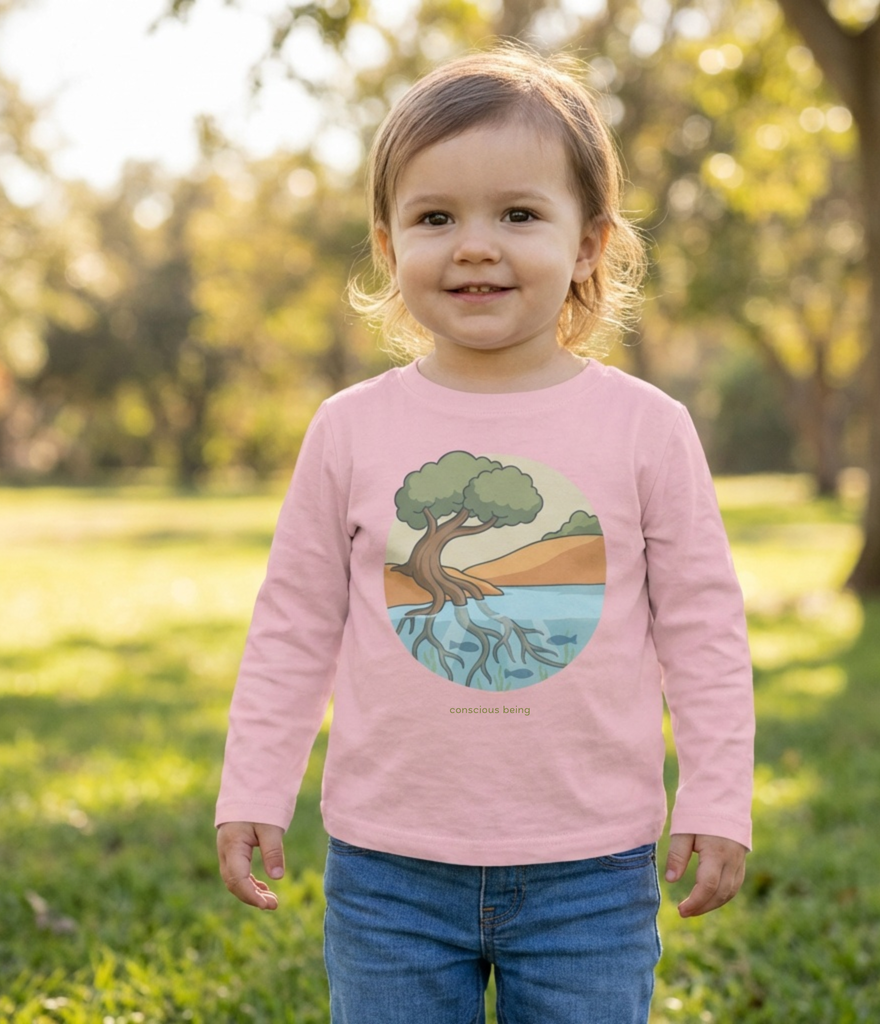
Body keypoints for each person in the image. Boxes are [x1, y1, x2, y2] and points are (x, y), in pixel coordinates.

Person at [215, 45, 754, 1024]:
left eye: (517, 213)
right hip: (390, 870)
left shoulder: (646, 429)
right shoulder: (350, 429)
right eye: (434, 217)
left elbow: (704, 628)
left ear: (588, 242)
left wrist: (719, 794)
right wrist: (255, 782)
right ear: (387, 246)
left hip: (591, 867)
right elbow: (293, 622)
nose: (473, 245)